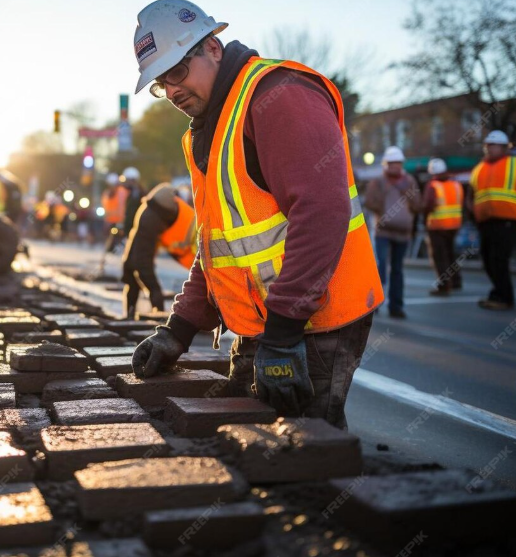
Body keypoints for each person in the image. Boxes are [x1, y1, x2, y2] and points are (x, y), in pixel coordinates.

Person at [129, 0, 383, 429]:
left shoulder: (278, 95)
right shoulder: (209, 129)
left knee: (304, 448)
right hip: (270, 322)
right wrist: (180, 327)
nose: (170, 91)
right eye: (160, 82)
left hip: (318, 322)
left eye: (176, 71)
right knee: (245, 435)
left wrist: (283, 335)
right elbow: (219, 244)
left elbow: (321, 214)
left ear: (211, 46)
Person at [122, 183, 197, 319]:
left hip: (200, 258)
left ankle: (159, 316)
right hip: (153, 213)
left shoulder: (153, 216)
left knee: (141, 270)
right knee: (133, 268)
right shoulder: (152, 215)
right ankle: (140, 315)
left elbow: (141, 263)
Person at [365, 146, 421, 318]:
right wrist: (384, 211)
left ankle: (396, 307)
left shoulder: (409, 181)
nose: (395, 166)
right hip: (383, 232)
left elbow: (418, 204)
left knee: (397, 270)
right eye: (392, 163)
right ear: (386, 164)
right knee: (381, 267)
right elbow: (369, 202)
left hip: (403, 233)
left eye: (398, 163)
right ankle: (375, 304)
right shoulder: (378, 182)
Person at [469, 130, 516, 310]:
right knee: (488, 259)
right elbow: (472, 194)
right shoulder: (480, 168)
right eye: (487, 145)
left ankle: (504, 297)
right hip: (485, 222)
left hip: (507, 220)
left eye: (493, 145)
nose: (489, 149)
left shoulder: (513, 163)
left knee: (499, 259)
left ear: (504, 147)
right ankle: (497, 293)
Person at [423, 158, 463, 295]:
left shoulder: (433, 185)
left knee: (440, 256)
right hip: (454, 225)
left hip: (437, 226)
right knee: (451, 253)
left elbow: (428, 205)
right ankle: (456, 281)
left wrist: (424, 220)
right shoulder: (456, 184)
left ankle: (444, 286)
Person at [101, 172, 128, 246]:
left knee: (120, 239)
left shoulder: (122, 192)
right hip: (109, 220)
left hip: (121, 221)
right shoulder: (106, 193)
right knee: (109, 240)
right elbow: (105, 206)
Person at [121, 166, 145, 236]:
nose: (125, 183)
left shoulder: (136, 194)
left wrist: (126, 230)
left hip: (135, 230)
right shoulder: (136, 192)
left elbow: (130, 215)